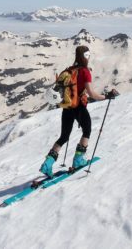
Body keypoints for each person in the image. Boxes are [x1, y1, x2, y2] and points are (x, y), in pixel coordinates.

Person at [40, 45, 118, 177]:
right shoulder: (85, 71)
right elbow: (91, 94)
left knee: (64, 136)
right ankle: (78, 160)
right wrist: (107, 96)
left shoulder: (70, 70)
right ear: (86, 56)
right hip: (79, 106)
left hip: (67, 106)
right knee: (87, 130)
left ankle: (47, 165)